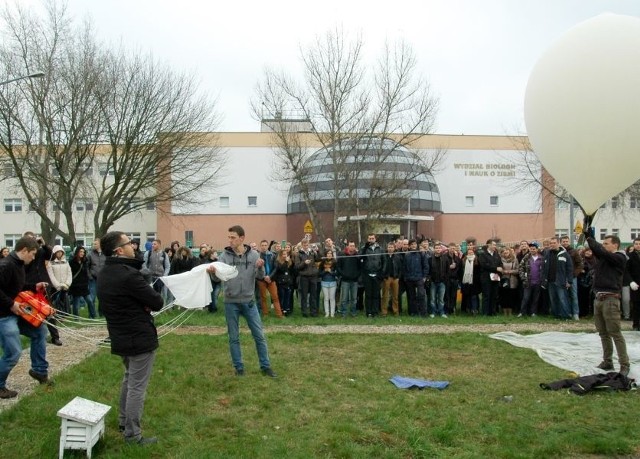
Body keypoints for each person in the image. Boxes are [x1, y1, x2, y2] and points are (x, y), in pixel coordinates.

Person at [97, 231, 164, 445]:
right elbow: (157, 302)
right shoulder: (129, 275)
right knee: (137, 386)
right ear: (119, 250)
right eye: (128, 243)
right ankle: (132, 435)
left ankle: (124, 421)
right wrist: (143, 303)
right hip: (138, 336)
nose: (132, 246)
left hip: (120, 335)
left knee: (129, 379)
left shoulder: (105, 273)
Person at [207, 225, 277, 378]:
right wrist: (213, 274)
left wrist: (260, 267)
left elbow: (260, 276)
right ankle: (239, 368)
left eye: (233, 237)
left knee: (259, 335)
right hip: (230, 302)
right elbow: (218, 278)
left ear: (242, 238)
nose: (230, 240)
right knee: (234, 337)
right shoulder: (224, 257)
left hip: (249, 302)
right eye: (229, 237)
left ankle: (265, 366)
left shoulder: (253, 255)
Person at [0, 236, 50, 399]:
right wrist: (10, 304)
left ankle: (39, 371)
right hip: (4, 315)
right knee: (13, 353)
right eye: (33, 254)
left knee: (40, 331)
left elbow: (17, 286)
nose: (34, 257)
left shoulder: (19, 264)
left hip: (15, 312)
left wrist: (33, 286)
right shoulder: (6, 265)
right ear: (24, 250)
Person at [584, 229, 630, 376]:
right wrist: (589, 238)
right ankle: (607, 361)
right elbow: (597, 251)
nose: (603, 245)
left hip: (610, 300)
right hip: (599, 298)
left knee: (615, 333)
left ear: (615, 245)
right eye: (602, 243)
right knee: (603, 333)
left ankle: (624, 365)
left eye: (606, 243)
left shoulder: (619, 258)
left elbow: (600, 251)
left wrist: (590, 238)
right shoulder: (605, 257)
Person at [542, 237, 573, 319]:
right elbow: (544, 267)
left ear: (559, 243)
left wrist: (569, 281)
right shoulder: (547, 254)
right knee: (553, 299)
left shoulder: (564, 254)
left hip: (561, 281)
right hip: (550, 281)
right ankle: (556, 315)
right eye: (551, 243)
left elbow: (569, 268)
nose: (552, 244)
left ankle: (566, 316)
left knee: (562, 299)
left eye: (554, 243)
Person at [360, 234, 386, 318]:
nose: (371, 240)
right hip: (367, 275)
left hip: (377, 275)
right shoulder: (364, 248)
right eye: (369, 238)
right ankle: (368, 312)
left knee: (376, 294)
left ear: (375, 239)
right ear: (368, 239)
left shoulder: (380, 249)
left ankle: (375, 311)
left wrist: (382, 273)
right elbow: (360, 258)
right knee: (368, 294)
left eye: (372, 238)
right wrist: (365, 247)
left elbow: (384, 261)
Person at [68, 246, 97, 318]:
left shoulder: (85, 261)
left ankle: (93, 316)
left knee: (89, 301)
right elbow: (70, 273)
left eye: (83, 252)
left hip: (84, 285)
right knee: (76, 303)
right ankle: (76, 318)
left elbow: (86, 272)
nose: (82, 253)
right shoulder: (71, 262)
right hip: (75, 285)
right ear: (77, 252)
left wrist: (87, 280)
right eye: (80, 252)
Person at [518, 242, 543, 317]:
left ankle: (533, 312)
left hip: (538, 282)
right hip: (528, 282)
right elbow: (520, 268)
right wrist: (523, 278)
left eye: (534, 249)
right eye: (531, 249)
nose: (532, 250)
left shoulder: (541, 258)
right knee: (526, 298)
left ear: (537, 249)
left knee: (535, 299)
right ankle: (522, 312)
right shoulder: (526, 257)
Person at [336, 241, 361, 318]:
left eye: (353, 246)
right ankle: (344, 313)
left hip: (354, 280)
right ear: (347, 246)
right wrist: (343, 274)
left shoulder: (357, 256)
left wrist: (356, 275)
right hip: (345, 280)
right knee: (344, 298)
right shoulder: (342, 255)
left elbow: (360, 267)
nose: (352, 247)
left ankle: (353, 313)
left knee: (354, 298)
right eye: (350, 246)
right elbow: (338, 267)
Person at [46, 245, 72, 313]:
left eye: (61, 252)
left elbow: (69, 273)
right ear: (54, 253)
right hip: (55, 288)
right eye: (57, 252)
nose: (59, 253)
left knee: (64, 301)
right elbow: (51, 275)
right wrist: (58, 285)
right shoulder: (51, 263)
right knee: (55, 302)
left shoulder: (66, 262)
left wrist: (67, 284)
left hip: (65, 286)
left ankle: (64, 314)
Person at [320, 250, 338, 318]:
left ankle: (332, 313)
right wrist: (325, 271)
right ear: (326, 255)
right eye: (328, 253)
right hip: (324, 282)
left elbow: (337, 273)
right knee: (326, 298)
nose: (329, 255)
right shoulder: (322, 263)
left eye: (330, 253)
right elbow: (319, 274)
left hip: (333, 282)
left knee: (332, 298)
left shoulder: (335, 262)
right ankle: (327, 313)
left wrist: (331, 272)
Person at [627, 238, 640, 331]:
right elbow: (626, 271)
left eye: (639, 244)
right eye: (636, 244)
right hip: (635, 283)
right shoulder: (629, 256)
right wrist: (631, 281)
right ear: (633, 245)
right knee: (636, 304)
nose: (638, 245)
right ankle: (636, 324)